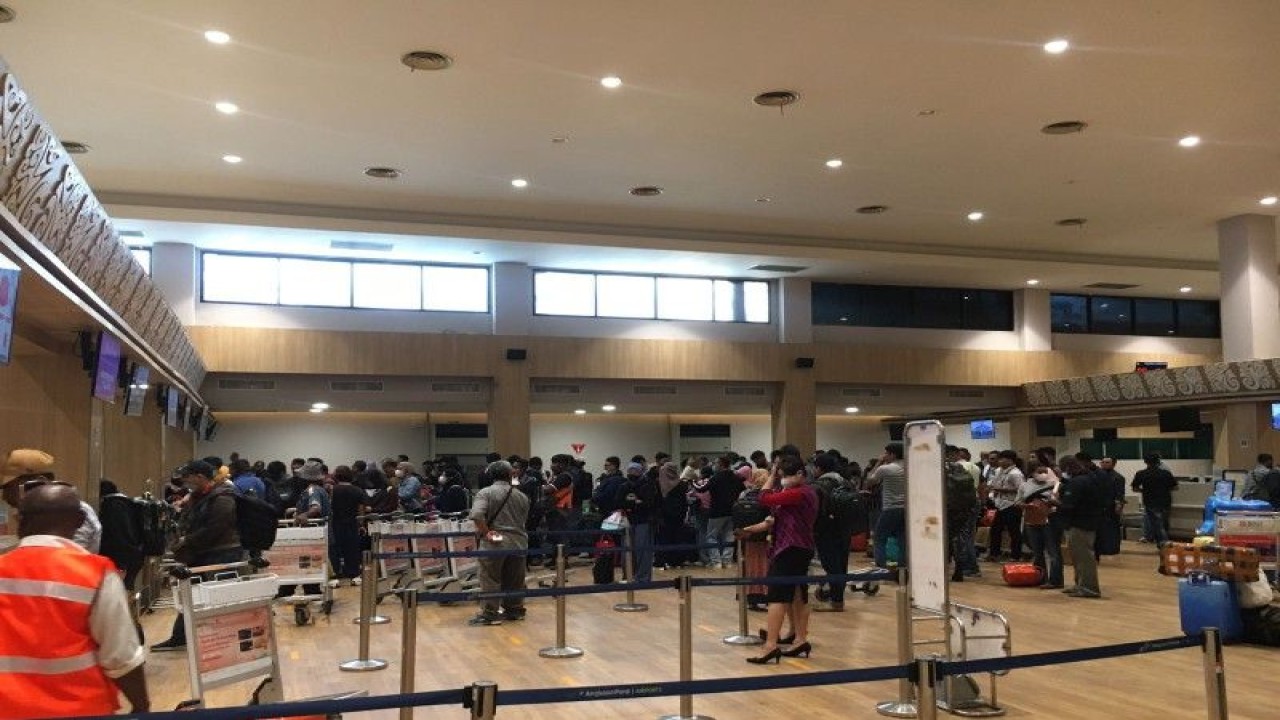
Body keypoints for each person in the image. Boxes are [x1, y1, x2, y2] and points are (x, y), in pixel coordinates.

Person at [0, 483, 149, 717]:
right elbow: (121, 657)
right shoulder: (95, 573)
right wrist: (142, 707)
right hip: (80, 709)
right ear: (81, 520)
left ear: (19, 518)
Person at [152, 460, 244, 651]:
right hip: (202, 552)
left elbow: (217, 527)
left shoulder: (223, 497)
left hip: (221, 553)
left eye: (188, 477)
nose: (185, 482)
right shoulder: (200, 496)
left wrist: (187, 541)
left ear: (200, 477)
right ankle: (180, 637)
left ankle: (229, 640)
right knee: (189, 594)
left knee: (222, 598)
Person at [738, 453, 818, 664]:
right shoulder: (796, 493)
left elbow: (763, 498)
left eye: (785, 474)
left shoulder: (800, 493)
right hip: (798, 548)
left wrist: (771, 475)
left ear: (800, 474)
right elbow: (773, 515)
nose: (783, 478)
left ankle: (770, 645)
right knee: (798, 596)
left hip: (790, 549)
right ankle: (800, 639)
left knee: (777, 597)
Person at [468, 460, 531, 625]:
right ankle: (515, 610)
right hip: (519, 541)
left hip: (495, 541)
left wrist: (486, 532)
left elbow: (476, 515)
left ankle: (490, 613)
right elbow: (524, 520)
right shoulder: (521, 496)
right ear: (511, 475)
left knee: (490, 577)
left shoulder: (485, 493)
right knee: (515, 579)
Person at [812, 452, 857, 611]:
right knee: (841, 564)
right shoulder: (845, 482)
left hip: (825, 531)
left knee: (831, 566)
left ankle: (837, 601)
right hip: (845, 529)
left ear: (818, 468)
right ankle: (837, 598)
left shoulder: (819, 485)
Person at [1055, 455, 1104, 598]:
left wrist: (1054, 502)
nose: (1064, 472)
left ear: (1069, 467)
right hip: (1088, 521)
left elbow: (1068, 505)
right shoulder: (1090, 478)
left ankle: (1089, 588)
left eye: (1064, 469)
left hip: (1079, 523)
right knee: (1078, 556)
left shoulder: (1077, 482)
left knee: (1084, 557)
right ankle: (1080, 584)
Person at [1, 448, 58, 554]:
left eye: (9, 487)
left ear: (39, 482)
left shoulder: (69, 514)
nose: (4, 497)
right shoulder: (38, 513)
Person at [97, 479, 145, 592]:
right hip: (134, 554)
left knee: (117, 592)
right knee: (125, 591)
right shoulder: (128, 503)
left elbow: (116, 534)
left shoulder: (112, 506)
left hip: (120, 558)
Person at [868, 443, 907, 568]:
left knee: (879, 538)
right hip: (906, 508)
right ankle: (903, 568)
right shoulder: (909, 467)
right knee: (902, 539)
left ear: (892, 454)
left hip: (890, 507)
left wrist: (878, 462)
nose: (884, 455)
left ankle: (881, 567)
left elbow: (870, 480)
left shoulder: (886, 468)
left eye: (886, 453)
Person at [328, 465, 367, 585]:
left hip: (336, 523)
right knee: (352, 549)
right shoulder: (358, 490)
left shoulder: (332, 490)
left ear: (336, 476)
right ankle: (353, 573)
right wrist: (361, 525)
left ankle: (336, 572)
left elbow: (330, 508)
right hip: (352, 523)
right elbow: (361, 510)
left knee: (335, 549)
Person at [985, 450, 1025, 561]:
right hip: (999, 504)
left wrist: (1001, 489)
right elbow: (994, 483)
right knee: (995, 530)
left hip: (1011, 505)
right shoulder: (1000, 471)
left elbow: (1021, 490)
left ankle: (1016, 555)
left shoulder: (1016, 473)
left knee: (1014, 531)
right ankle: (994, 554)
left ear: (1010, 460)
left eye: (1002, 459)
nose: (1000, 461)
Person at [1131, 453, 1178, 545]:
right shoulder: (1166, 473)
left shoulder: (1141, 473)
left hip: (1150, 501)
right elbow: (1175, 487)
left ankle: (1162, 542)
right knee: (1164, 523)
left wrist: (1144, 491)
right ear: (1158, 462)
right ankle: (1164, 542)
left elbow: (1135, 488)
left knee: (1156, 523)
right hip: (1165, 501)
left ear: (1145, 462)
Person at [706, 456, 744, 568]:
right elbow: (742, 489)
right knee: (729, 536)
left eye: (716, 463)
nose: (714, 465)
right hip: (732, 511)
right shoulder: (736, 477)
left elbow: (702, 488)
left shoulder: (715, 478)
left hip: (716, 511)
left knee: (711, 537)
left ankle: (716, 561)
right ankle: (727, 561)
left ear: (721, 464)